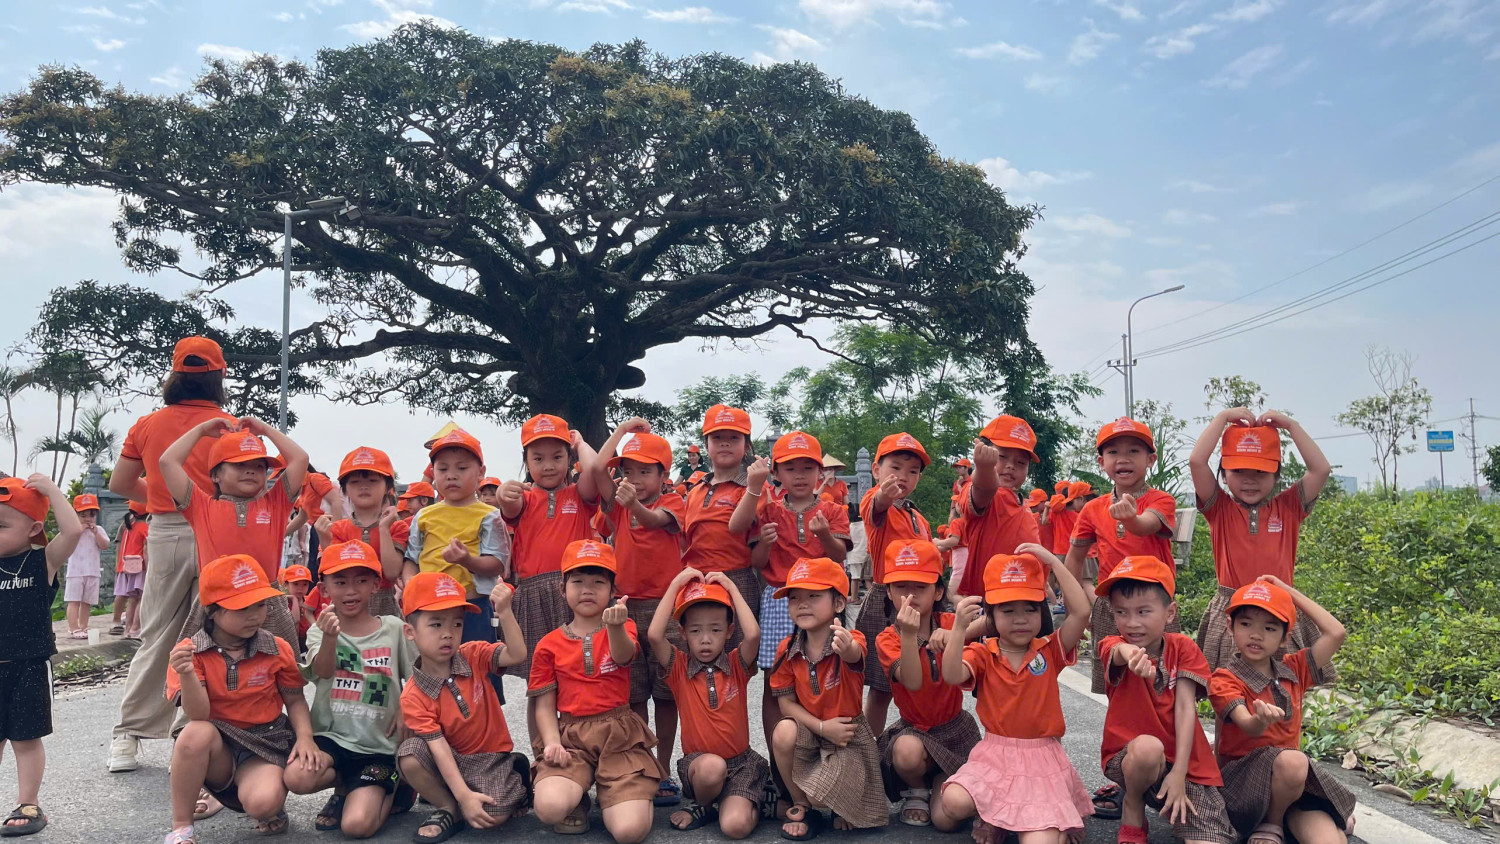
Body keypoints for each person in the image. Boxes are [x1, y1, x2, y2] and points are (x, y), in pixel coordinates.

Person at [108, 336, 239, 774]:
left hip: (165, 530)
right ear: (219, 376)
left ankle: (128, 736)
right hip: (219, 529)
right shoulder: (228, 426)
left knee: (158, 633)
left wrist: (164, 497)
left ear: (175, 375)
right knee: (213, 632)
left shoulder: (147, 424)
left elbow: (121, 484)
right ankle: (192, 733)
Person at [940, 548, 1094, 844]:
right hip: (994, 756)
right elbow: (951, 675)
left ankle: (1054, 822)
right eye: (1008, 610)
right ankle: (996, 818)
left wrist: (1053, 562)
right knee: (954, 803)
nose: (1021, 619)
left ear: (1041, 612)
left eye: (1030, 609)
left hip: (1042, 759)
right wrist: (959, 629)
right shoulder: (983, 653)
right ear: (990, 616)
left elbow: (1081, 612)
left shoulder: (1050, 650)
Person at [163, 554, 318, 843]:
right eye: (242, 608)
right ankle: (181, 827)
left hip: (264, 743)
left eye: (260, 605)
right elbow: (198, 714)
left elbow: (295, 699)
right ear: (212, 611)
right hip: (217, 745)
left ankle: (267, 803)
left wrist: (305, 738)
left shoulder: (277, 648)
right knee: (194, 733)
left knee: (263, 803)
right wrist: (186, 673)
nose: (255, 616)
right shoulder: (190, 652)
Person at [528, 540, 667, 842]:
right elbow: (544, 705)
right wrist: (552, 743)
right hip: (572, 738)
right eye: (577, 581)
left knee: (629, 832)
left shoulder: (624, 626)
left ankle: (615, 793)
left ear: (613, 590)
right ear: (562, 589)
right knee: (549, 808)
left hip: (620, 736)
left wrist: (614, 627)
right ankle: (578, 796)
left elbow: (623, 656)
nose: (587, 590)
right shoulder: (548, 644)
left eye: (598, 582)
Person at [1095, 556, 1236, 844]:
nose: (1132, 623)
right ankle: (1133, 804)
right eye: (1121, 612)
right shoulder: (1113, 645)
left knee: (1210, 839)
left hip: (1186, 765)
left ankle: (1175, 803)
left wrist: (1179, 774)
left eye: (1143, 611)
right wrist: (1132, 656)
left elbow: (1185, 708)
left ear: (1170, 612)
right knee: (1148, 748)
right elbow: (1119, 652)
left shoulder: (1183, 648)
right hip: (1131, 759)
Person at [284, 540, 415, 838]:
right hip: (332, 739)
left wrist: (406, 707)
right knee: (297, 778)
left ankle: (395, 786)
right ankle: (345, 787)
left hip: (379, 746)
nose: (351, 591)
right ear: (324, 589)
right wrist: (330, 637)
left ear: (375, 585)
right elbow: (322, 671)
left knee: (357, 826)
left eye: (361, 581)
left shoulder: (394, 628)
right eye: (340, 582)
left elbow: (417, 675)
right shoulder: (318, 630)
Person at [1209, 577, 1355, 844]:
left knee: (1330, 840)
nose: (1256, 635)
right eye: (1246, 624)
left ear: (1286, 637)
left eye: (1269, 627)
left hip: (1289, 788)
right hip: (1243, 788)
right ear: (1230, 627)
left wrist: (1287, 592)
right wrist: (1259, 721)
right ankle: (1272, 824)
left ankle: (1325, 816)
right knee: (1293, 761)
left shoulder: (1295, 669)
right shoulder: (1224, 678)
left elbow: (1336, 633)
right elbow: (1248, 725)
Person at [729, 432, 851, 749]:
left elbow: (838, 555)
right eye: (790, 468)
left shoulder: (832, 510)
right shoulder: (768, 512)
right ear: (776, 473)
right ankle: (778, 755)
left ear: (820, 472)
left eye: (807, 468)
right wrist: (766, 544)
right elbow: (757, 562)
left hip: (821, 599)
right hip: (778, 599)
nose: (799, 476)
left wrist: (825, 535)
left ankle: (822, 745)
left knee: (825, 672)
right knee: (776, 681)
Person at [1190, 410, 1332, 671]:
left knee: (1284, 682)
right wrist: (1222, 418)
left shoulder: (1289, 506)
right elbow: (1197, 461)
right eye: (1238, 471)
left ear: (1276, 476)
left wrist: (1291, 425)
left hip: (1277, 608)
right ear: (1224, 475)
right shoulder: (1219, 508)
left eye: (1260, 471)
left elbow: (1321, 469)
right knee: (1227, 684)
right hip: (1233, 611)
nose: (1249, 480)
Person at [593, 422, 687, 806]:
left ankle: (663, 767)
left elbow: (655, 520)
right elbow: (597, 469)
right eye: (628, 470)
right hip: (626, 607)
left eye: (645, 471)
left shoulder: (674, 502)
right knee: (632, 697)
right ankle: (641, 765)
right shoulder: (617, 503)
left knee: (666, 695)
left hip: (668, 609)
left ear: (664, 475)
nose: (634, 478)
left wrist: (633, 505)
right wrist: (620, 431)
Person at [396, 571, 528, 843]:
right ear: (410, 631)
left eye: (457, 624)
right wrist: (463, 796)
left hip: (489, 759)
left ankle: (515, 773)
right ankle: (449, 808)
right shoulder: (413, 694)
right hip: (449, 759)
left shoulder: (473, 654)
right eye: (436, 625)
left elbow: (517, 654)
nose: (448, 634)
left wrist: (505, 612)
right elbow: (439, 749)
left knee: (492, 816)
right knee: (408, 755)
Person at [496, 414, 601, 734]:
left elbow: (595, 470)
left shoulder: (580, 494)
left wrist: (581, 443)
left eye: (557, 457)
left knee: (580, 676)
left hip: (574, 591)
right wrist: (502, 494)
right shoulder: (524, 499)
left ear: (569, 458)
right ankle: (542, 751)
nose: (548, 465)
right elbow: (508, 507)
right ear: (526, 462)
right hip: (533, 595)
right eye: (538, 458)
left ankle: (578, 745)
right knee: (539, 684)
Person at [163, 418, 307, 650]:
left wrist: (265, 430)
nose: (250, 470)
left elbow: (300, 459)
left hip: (266, 605)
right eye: (239, 465)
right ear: (215, 475)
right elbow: (167, 462)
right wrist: (200, 429)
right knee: (204, 667)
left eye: (259, 466)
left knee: (280, 667)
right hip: (218, 606)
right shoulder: (201, 507)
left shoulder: (275, 504)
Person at [769, 556, 888, 838]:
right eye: (794, 597)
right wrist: (822, 727)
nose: (802, 604)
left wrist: (846, 648)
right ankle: (801, 803)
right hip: (812, 733)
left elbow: (854, 653)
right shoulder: (787, 648)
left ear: (839, 603)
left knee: (825, 795)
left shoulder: (851, 638)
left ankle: (838, 805)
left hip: (847, 737)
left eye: (813, 596)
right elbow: (786, 704)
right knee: (783, 731)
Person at [1064, 418, 1178, 699]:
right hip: (1111, 605)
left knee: (1163, 681)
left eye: (1133, 451)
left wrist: (1131, 520)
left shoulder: (1161, 500)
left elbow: (1147, 524)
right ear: (1101, 462)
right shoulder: (1092, 509)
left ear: (1150, 459)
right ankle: (1120, 727)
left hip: (1155, 603)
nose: (1123, 459)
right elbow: (1074, 558)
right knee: (1115, 682)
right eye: (1113, 452)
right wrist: (1075, 608)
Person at [650, 569, 769, 838]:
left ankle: (753, 797)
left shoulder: (737, 665)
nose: (705, 639)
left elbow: (753, 635)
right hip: (700, 768)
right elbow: (655, 635)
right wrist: (675, 583)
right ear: (682, 632)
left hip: (741, 765)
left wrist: (731, 587)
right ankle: (704, 805)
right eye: (695, 630)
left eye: (715, 630)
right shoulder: (679, 668)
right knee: (712, 767)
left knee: (735, 827)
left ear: (729, 631)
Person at [874, 539, 980, 829]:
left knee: (947, 823)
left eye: (920, 587)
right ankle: (917, 789)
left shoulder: (947, 622)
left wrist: (957, 632)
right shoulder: (888, 638)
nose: (910, 595)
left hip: (955, 730)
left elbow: (991, 623)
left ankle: (941, 779)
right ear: (888, 592)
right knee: (906, 751)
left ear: (938, 591)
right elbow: (912, 681)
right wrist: (909, 635)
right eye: (901, 587)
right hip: (914, 731)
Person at [0, 474, 83, 836]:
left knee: (25, 739)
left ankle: (28, 803)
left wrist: (51, 491)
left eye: (1, 526)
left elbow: (73, 531)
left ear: (33, 529)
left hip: (29, 666)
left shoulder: (42, 562)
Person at [403, 428, 511, 674]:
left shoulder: (490, 515)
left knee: (478, 671)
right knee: (434, 674)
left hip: (472, 605)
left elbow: (496, 563)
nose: (451, 475)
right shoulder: (424, 516)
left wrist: (466, 560)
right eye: (443, 469)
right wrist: (411, 584)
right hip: (430, 607)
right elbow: (411, 559)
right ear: (433, 473)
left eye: (461, 468)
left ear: (481, 473)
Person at [855, 432, 933, 733]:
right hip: (886, 600)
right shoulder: (877, 504)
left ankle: (919, 738)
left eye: (912, 471)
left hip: (921, 602)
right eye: (895, 468)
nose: (903, 476)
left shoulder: (917, 517)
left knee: (919, 677)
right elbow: (876, 505)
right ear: (876, 470)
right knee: (881, 687)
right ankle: (870, 748)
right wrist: (883, 495)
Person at [681, 405, 761, 633]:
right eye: (717, 438)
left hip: (737, 579)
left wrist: (754, 487)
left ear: (746, 446)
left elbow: (744, 531)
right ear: (706, 445)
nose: (725, 443)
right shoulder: (695, 492)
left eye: (734, 438)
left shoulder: (754, 489)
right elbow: (685, 541)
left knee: (739, 649)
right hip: (696, 580)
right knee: (698, 646)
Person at [953, 416, 1042, 600]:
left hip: (1025, 598)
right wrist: (985, 469)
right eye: (1001, 457)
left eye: (1021, 463)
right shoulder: (990, 496)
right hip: (989, 600)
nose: (1011, 466)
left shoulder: (1023, 504)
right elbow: (983, 488)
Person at [316, 447, 407, 617]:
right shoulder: (337, 529)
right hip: (347, 606)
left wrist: (383, 529)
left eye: (373, 480)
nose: (364, 486)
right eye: (355, 482)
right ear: (344, 489)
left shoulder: (396, 527)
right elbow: (333, 573)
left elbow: (391, 573)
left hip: (385, 609)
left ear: (388, 487)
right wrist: (324, 540)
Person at [64, 493, 111, 639]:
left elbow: (104, 545)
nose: (88, 519)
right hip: (75, 572)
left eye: (91, 515)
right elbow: (66, 544)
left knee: (87, 602)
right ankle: (73, 628)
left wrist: (96, 533)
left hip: (93, 571)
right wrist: (79, 530)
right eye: (83, 515)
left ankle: (83, 626)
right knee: (74, 601)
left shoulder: (99, 530)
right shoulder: (72, 530)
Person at [110, 501, 150, 639]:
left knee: (132, 599)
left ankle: (127, 630)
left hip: (127, 567)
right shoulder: (146, 528)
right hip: (141, 568)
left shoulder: (128, 528)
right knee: (142, 598)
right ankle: (136, 628)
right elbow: (145, 551)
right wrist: (150, 569)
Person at [280, 564, 315, 652]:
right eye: (296, 584)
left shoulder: (310, 601)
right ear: (286, 584)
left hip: (307, 640)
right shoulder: (282, 603)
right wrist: (294, 600)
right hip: (289, 642)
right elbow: (295, 621)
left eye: (305, 584)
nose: (300, 588)